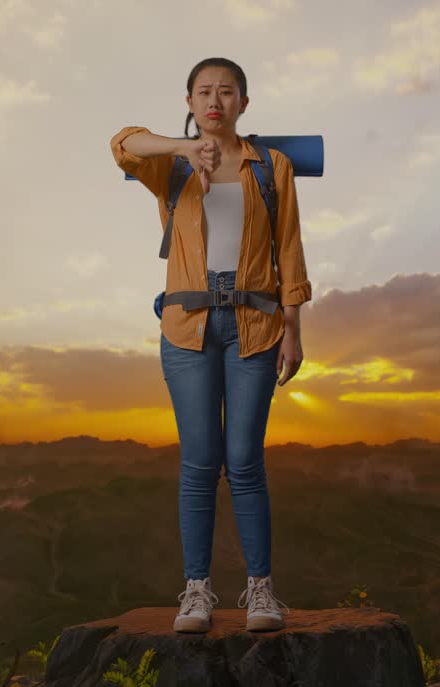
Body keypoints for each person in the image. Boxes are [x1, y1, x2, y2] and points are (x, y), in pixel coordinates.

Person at [109, 57, 312, 633]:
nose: (215, 99)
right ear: (191, 102)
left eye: (227, 91)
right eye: (204, 92)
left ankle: (261, 591)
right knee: (199, 464)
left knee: (245, 462)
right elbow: (121, 143)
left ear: (244, 103)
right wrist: (181, 147)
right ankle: (196, 592)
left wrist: (294, 330)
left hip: (256, 326)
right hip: (187, 328)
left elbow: (290, 249)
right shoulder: (168, 167)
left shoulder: (271, 167)